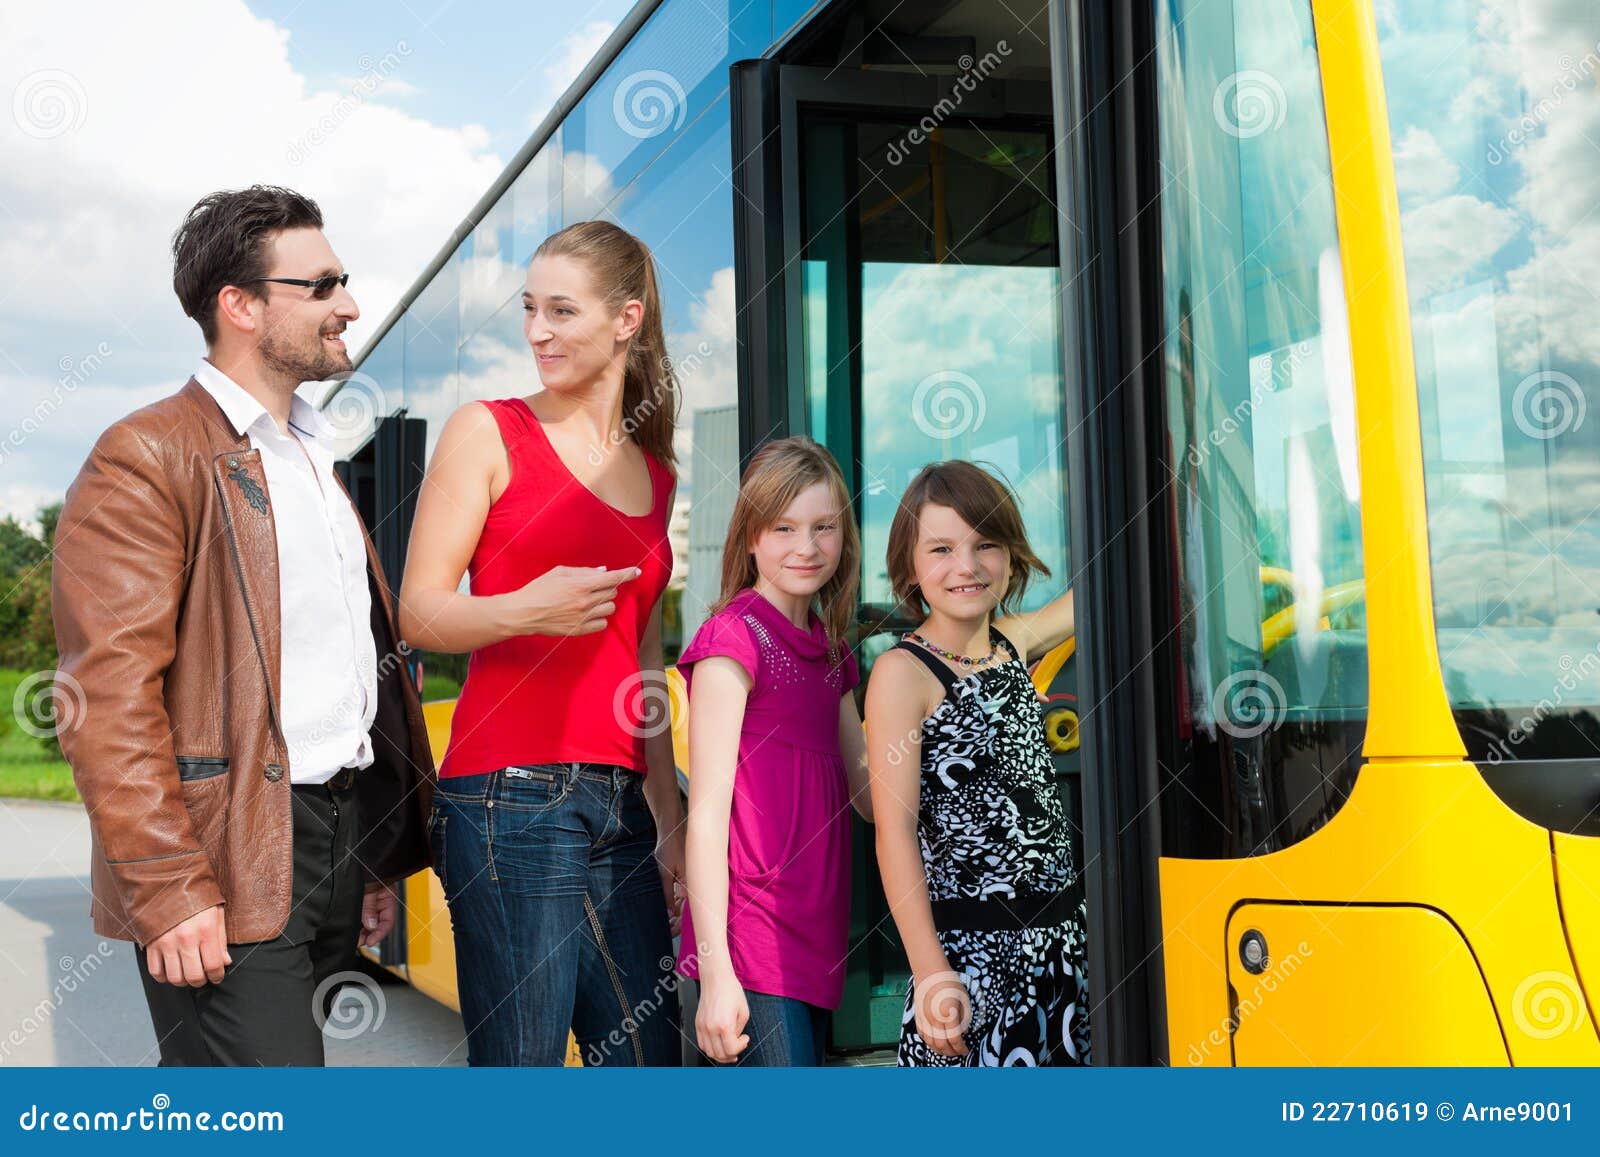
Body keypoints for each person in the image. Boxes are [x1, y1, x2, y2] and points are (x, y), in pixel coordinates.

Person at [51, 184, 436, 1066]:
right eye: (324, 284)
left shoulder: (311, 453)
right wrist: (167, 886)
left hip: (333, 838)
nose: (350, 304)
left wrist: (371, 850)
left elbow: (346, 668)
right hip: (225, 850)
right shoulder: (145, 455)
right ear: (242, 306)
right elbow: (104, 694)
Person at [398, 220, 685, 1066]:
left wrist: (666, 812)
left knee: (646, 1065)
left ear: (627, 320)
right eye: (529, 309)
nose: (537, 331)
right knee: (523, 1066)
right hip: (508, 801)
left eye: (562, 310)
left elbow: (645, 661)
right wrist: (526, 609)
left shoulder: (656, 470)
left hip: (623, 806)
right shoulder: (487, 430)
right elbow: (418, 611)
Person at [865, 460, 1089, 1066]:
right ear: (910, 568)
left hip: (1060, 950)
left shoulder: (1013, 642)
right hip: (973, 958)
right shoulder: (902, 674)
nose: (966, 566)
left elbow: (1101, 584)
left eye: (985, 543)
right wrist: (931, 971)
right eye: (940, 549)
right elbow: (894, 836)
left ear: (1012, 556)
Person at [677, 437, 873, 1066]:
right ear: (752, 538)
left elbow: (868, 795)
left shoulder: (833, 650)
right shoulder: (733, 639)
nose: (807, 547)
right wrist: (716, 976)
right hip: (750, 942)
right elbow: (705, 819)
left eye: (823, 527)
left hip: (817, 938)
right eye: (784, 527)